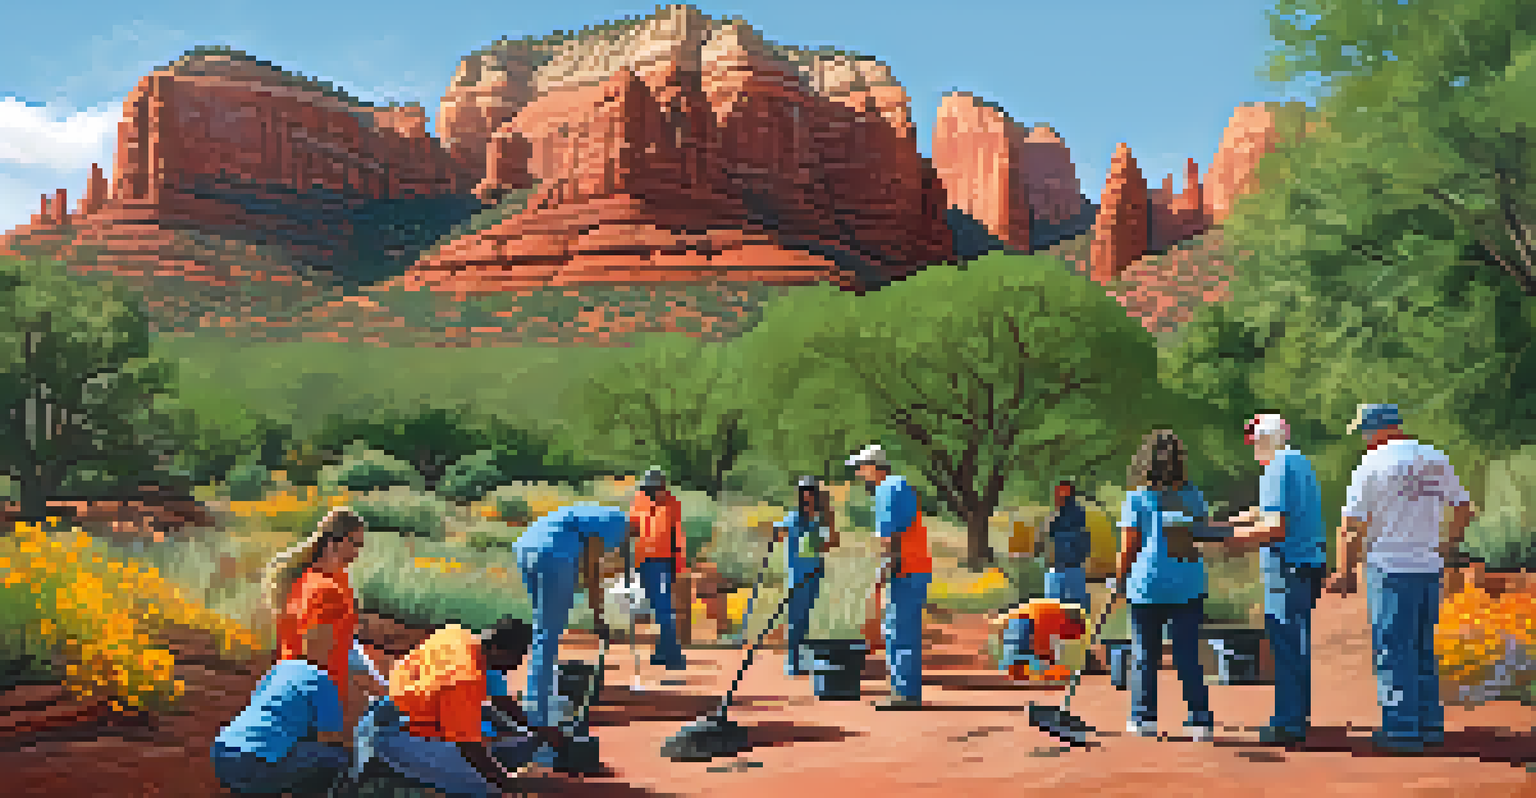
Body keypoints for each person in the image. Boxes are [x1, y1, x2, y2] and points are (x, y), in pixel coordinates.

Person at [1325, 403, 1477, 754]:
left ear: (1377, 429)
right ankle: (1429, 725)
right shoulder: (1435, 458)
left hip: (1390, 566)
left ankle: (1401, 730)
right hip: (1428, 566)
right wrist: (1445, 545)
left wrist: (1345, 571)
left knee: (1393, 649)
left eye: (1364, 432)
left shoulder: (1371, 464)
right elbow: (1464, 508)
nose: (1363, 439)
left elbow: (1350, 526)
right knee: (1423, 647)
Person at [352, 618, 563, 797]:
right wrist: (508, 785)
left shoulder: (456, 635)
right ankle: (389, 774)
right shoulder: (465, 678)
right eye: (516, 657)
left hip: (377, 720)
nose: (517, 664)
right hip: (396, 739)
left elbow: (500, 701)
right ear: (497, 649)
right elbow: (469, 747)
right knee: (487, 789)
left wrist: (537, 730)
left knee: (505, 749)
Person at [1215, 413, 1327, 745]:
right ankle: (1298, 715)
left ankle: (1288, 723)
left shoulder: (1277, 467)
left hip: (1287, 565)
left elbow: (1276, 527)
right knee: (1295, 643)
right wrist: (1229, 523)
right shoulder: (1298, 462)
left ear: (1265, 439)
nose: (1252, 448)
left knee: (1286, 644)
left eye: (1254, 441)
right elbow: (1268, 512)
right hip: (1307, 562)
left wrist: (1229, 542)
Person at [1111, 429, 1216, 741]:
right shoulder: (1192, 495)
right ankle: (1200, 720)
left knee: (1145, 654)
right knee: (1187, 654)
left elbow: (1129, 546)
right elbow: (1202, 533)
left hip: (1147, 585)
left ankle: (1143, 718)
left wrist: (1119, 582)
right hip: (1186, 583)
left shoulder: (1137, 498)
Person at [513, 502, 627, 765]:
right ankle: (539, 720)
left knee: (542, 631)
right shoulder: (618, 525)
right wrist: (599, 616)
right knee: (548, 637)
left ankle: (541, 699)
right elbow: (592, 571)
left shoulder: (596, 513)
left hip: (525, 547)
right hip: (554, 554)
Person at [264, 507, 389, 728]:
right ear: (334, 541)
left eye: (360, 545)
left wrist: (379, 689)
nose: (357, 552)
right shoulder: (323, 588)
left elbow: (346, 644)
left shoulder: (333, 578)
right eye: (353, 543)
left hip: (299, 682)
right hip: (309, 691)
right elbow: (314, 651)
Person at [212, 622, 351, 796]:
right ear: (330, 650)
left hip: (223, 752)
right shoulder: (321, 679)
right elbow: (331, 736)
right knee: (338, 757)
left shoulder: (279, 670)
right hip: (257, 761)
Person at [847, 444, 932, 710]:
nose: (860, 474)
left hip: (905, 569)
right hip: (915, 567)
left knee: (898, 631)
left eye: (861, 468)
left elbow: (889, 537)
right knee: (902, 629)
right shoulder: (900, 485)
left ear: (874, 467)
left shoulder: (887, 490)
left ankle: (905, 694)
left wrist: (882, 573)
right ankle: (905, 690)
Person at [774, 475, 840, 676]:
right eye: (804, 492)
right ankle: (793, 662)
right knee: (796, 619)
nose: (808, 496)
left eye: (812, 492)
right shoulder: (794, 518)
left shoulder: (821, 520)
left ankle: (804, 659)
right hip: (797, 576)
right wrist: (777, 530)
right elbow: (779, 533)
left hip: (815, 574)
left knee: (808, 620)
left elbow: (832, 543)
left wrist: (829, 513)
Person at [629, 468, 688, 670]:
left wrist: (677, 565)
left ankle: (673, 655)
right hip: (643, 562)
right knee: (658, 607)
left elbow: (678, 536)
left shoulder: (672, 504)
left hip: (664, 562)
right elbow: (632, 530)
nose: (653, 492)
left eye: (656, 488)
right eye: (649, 488)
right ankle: (663, 652)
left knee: (664, 608)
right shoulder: (638, 501)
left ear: (663, 485)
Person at [1042, 481, 1091, 609]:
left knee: (1074, 608)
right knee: (1055, 609)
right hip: (1059, 567)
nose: (1057, 494)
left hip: (1071, 567)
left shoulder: (1074, 513)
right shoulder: (1056, 514)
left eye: (1061, 491)